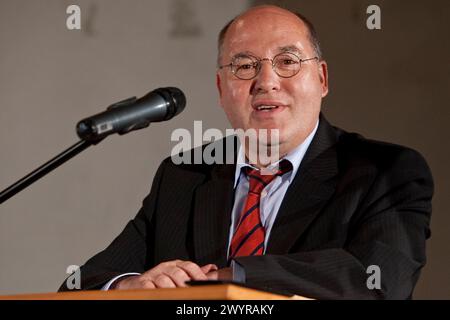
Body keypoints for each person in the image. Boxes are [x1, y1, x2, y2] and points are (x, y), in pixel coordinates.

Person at [59, 5, 433, 299]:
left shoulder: (385, 171)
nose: (266, 81)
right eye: (244, 66)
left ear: (322, 79)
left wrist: (227, 279)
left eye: (287, 62)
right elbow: (80, 285)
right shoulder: (184, 175)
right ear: (221, 89)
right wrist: (130, 287)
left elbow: (380, 281)